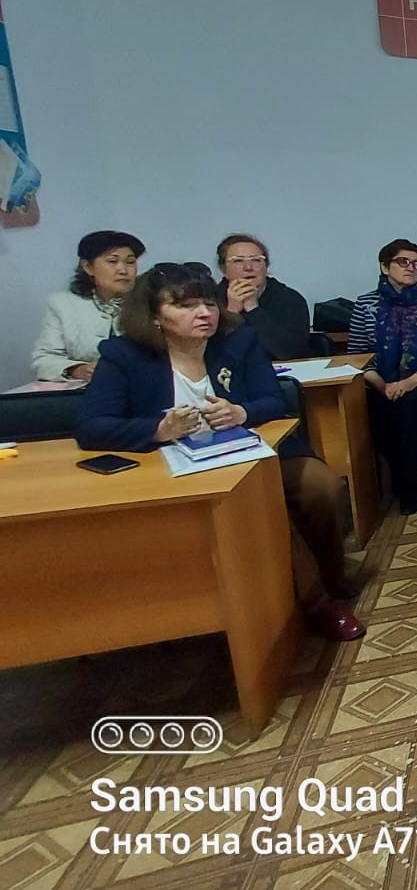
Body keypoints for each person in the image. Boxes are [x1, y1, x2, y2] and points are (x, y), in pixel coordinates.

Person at [74, 263, 364, 640]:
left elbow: (275, 399)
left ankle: (330, 574)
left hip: (250, 453)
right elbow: (91, 426)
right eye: (185, 306)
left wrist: (242, 412)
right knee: (256, 506)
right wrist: (157, 430)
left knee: (319, 486)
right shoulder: (124, 355)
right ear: (154, 317)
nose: (204, 313)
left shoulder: (237, 341)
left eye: (209, 303)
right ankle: (317, 604)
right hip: (172, 466)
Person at [347, 239, 417, 515]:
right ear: (385, 267)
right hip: (379, 381)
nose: (411, 268)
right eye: (403, 262)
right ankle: (394, 477)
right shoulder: (365, 304)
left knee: (411, 407)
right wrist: (381, 383)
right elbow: (357, 355)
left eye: (416, 263)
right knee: (375, 408)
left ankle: (410, 486)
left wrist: (410, 381)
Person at [32, 230, 145, 382]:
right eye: (112, 261)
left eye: (130, 262)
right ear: (88, 267)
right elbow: (44, 360)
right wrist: (77, 370)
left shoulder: (148, 301)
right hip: (88, 388)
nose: (123, 270)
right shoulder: (62, 305)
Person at [215, 232, 312, 360]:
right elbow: (209, 353)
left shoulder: (290, 299)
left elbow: (291, 353)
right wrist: (232, 312)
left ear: (266, 266)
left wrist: (253, 309)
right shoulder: (211, 300)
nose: (248, 267)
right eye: (238, 261)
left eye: (256, 260)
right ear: (224, 270)